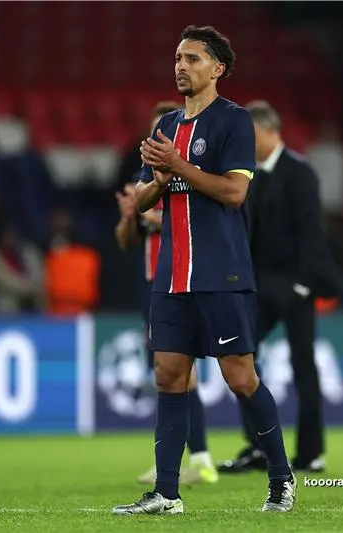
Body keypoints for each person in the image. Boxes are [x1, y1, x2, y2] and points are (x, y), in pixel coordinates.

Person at [112, 25, 296, 516]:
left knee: (240, 378)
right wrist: (156, 178)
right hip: (172, 275)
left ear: (217, 69)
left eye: (193, 58)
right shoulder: (166, 126)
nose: (181, 66)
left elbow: (235, 192)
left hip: (222, 272)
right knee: (169, 376)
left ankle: (281, 479)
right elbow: (145, 199)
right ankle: (166, 494)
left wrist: (178, 167)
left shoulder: (234, 122)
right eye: (177, 57)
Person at [217, 100, 340, 475]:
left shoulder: (299, 172)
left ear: (272, 132)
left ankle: (310, 453)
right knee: (241, 356)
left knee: (304, 366)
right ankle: (257, 445)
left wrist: (304, 285)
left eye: (252, 136)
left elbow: (312, 232)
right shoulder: (248, 175)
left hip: (296, 285)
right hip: (260, 284)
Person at [114, 101, 219, 487]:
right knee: (169, 375)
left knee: (183, 376)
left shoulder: (189, 176)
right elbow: (126, 241)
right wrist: (131, 216)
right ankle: (185, 461)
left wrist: (155, 216)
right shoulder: (146, 179)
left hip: (184, 281)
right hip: (152, 287)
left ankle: (203, 460)